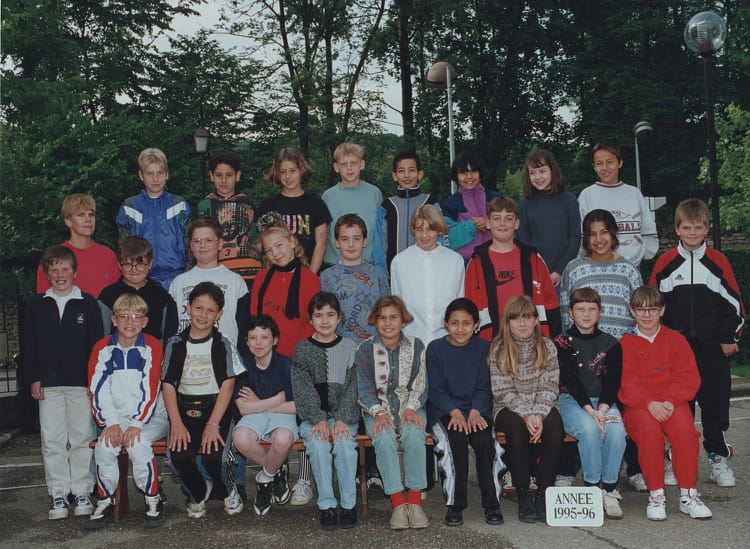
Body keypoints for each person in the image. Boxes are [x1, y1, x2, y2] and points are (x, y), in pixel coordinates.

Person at [650, 198, 745, 487]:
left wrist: (729, 337)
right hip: (675, 352)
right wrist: (657, 342)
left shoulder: (718, 262)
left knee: (715, 405)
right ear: (677, 229)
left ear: (707, 229)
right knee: (678, 407)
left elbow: (734, 304)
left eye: (698, 227)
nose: (692, 233)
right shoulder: (666, 263)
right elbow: (652, 305)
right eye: (687, 227)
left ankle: (717, 457)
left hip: (711, 348)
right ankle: (675, 458)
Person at [618, 286, 712, 521]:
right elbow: (625, 382)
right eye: (641, 310)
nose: (646, 315)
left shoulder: (677, 340)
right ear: (632, 311)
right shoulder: (624, 344)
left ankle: (688, 494)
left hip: (672, 402)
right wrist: (648, 403)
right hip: (639, 405)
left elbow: (688, 377)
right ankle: (656, 494)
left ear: (662, 310)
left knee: (685, 432)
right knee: (650, 434)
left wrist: (670, 400)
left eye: (652, 309)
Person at [24, 245, 103, 519]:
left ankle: (81, 491)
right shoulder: (36, 305)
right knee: (53, 440)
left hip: (80, 384)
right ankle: (58, 493)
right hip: (48, 385)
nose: (60, 275)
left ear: (75, 272)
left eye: (65, 269)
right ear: (47, 274)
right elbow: (29, 344)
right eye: (54, 270)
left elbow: (96, 347)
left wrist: (93, 381)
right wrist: (34, 378)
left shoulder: (87, 303)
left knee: (82, 438)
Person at [250, 217, 320, 505]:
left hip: (299, 360)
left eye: (279, 245)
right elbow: (255, 322)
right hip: (269, 362)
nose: (275, 253)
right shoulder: (261, 279)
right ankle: (276, 468)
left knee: (303, 419)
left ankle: (303, 477)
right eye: (269, 250)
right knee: (271, 418)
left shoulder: (310, 279)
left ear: (292, 242)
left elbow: (314, 323)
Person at [161, 282, 245, 518]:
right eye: (198, 308)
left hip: (216, 409)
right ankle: (197, 492)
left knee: (214, 458)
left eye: (210, 310)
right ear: (188, 308)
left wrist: (213, 424)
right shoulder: (176, 344)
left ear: (219, 314)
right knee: (177, 458)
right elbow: (168, 384)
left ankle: (227, 491)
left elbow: (228, 385)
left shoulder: (223, 344)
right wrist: (176, 423)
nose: (203, 315)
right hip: (184, 410)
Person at [87, 294, 169, 529]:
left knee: (137, 443)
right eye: (123, 316)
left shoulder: (152, 346)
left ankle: (152, 498)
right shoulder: (102, 348)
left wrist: (136, 424)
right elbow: (97, 390)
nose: (130, 322)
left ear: (145, 322)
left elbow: (151, 389)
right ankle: (105, 499)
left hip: (152, 416)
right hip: (117, 418)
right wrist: (110, 423)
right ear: (114, 320)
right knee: (105, 446)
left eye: (136, 316)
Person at [427, 298, 504, 527]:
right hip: (445, 409)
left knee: (484, 441)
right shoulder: (436, 348)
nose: (460, 329)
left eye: (466, 323)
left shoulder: (483, 347)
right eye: (454, 323)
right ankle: (455, 503)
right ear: (446, 324)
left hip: (477, 410)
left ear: (476, 324)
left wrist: (476, 411)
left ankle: (492, 503)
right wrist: (454, 412)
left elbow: (484, 384)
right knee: (455, 440)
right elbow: (435, 388)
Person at [356, 295, 429, 530]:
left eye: (393, 317)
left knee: (414, 434)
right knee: (384, 437)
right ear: (375, 321)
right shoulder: (365, 348)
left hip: (410, 405)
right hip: (377, 408)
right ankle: (398, 503)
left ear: (403, 320)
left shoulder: (417, 346)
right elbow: (363, 387)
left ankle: (415, 502)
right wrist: (378, 412)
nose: (388, 323)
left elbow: (421, 383)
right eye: (382, 318)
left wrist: (410, 408)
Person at [554, 287, 626, 519]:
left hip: (603, 401)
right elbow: (570, 381)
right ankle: (593, 487)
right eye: (580, 309)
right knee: (589, 429)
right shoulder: (562, 342)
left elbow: (612, 381)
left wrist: (602, 409)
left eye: (592, 309)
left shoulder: (610, 342)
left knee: (616, 430)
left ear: (600, 312)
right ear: (570, 312)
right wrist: (590, 411)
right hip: (572, 401)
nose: (586, 314)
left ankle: (610, 489)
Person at [490, 295, 563, 524]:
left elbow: (550, 386)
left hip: (541, 403)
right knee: (516, 428)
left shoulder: (547, 346)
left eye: (528, 318)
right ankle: (523, 492)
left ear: (536, 321)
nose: (522, 324)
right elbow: (502, 390)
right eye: (516, 318)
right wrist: (526, 414)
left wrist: (539, 413)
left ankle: (543, 492)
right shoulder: (499, 348)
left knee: (555, 427)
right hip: (507, 406)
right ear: (507, 322)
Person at [291, 292, 360, 530]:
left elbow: (353, 387)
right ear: (310, 319)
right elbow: (302, 388)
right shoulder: (302, 349)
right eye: (318, 315)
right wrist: (318, 418)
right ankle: (327, 505)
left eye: (330, 315)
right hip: (314, 417)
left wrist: (341, 418)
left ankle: (349, 504)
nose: (324, 321)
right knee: (318, 445)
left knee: (344, 445)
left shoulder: (350, 347)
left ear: (339, 318)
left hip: (344, 416)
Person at [465, 196, 561, 341]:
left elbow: (550, 302)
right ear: (488, 223)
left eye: (508, 218)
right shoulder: (476, 262)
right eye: (496, 218)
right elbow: (468, 308)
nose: (502, 223)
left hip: (532, 342)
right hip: (490, 342)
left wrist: (554, 342)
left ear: (516, 224)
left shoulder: (533, 259)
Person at [232, 315, 297, 516]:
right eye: (253, 338)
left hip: (283, 414)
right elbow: (243, 409)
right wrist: (277, 398)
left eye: (264, 337)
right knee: (240, 438)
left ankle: (265, 478)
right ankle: (276, 469)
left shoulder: (286, 365)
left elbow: (297, 406)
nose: (258, 343)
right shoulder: (243, 365)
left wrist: (258, 403)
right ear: (246, 341)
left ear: (275, 340)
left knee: (283, 438)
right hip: (262, 413)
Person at [560, 209, 643, 339]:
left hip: (621, 345)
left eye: (604, 232)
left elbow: (640, 313)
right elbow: (566, 315)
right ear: (586, 238)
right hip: (583, 346)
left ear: (614, 234)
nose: (599, 239)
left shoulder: (629, 270)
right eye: (593, 234)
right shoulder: (574, 269)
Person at [117, 147, 191, 289]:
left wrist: (188, 275)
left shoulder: (180, 205)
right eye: (150, 173)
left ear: (167, 174)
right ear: (141, 175)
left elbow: (190, 243)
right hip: (141, 278)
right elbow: (123, 249)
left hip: (176, 277)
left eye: (160, 173)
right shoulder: (130, 207)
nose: (155, 179)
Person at [391, 204, 465, 346]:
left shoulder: (454, 260)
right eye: (419, 229)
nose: (424, 235)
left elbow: (459, 300)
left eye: (430, 229)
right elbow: (397, 303)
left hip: (446, 339)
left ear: (439, 230)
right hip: (411, 339)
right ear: (413, 230)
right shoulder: (400, 261)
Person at [169, 217, 249, 346]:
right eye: (197, 241)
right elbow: (171, 327)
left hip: (224, 352)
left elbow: (243, 326)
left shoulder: (235, 281)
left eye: (209, 240)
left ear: (220, 243)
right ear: (191, 245)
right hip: (187, 352)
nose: (202, 245)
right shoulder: (178, 283)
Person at [578, 140, 658, 266]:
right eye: (599, 163)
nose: (605, 167)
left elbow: (648, 230)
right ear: (594, 167)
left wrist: (640, 254)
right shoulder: (587, 196)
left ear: (619, 163)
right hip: (597, 267)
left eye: (610, 162)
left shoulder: (634, 194)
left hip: (632, 266)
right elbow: (581, 237)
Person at [257, 148, 331, 273]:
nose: (288, 176)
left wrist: (310, 276)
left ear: (301, 170)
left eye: (292, 171)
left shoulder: (316, 204)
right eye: (283, 172)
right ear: (277, 174)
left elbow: (321, 242)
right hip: (278, 274)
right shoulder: (268, 205)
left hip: (309, 272)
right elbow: (265, 245)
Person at [516, 149, 580, 292]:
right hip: (535, 275)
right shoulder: (524, 204)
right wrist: (538, 271)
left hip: (564, 273)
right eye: (532, 173)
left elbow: (575, 238)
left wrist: (559, 271)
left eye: (542, 171)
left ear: (552, 170)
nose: (537, 177)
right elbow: (523, 243)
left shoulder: (568, 200)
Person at [198, 150, 263, 288]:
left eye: (229, 175)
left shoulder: (248, 204)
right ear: (211, 176)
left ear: (237, 176)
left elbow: (257, 239)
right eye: (218, 175)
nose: (224, 181)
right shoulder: (205, 205)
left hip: (250, 274)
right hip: (218, 275)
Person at [98, 236, 178, 346]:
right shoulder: (108, 296)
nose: (134, 270)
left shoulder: (161, 296)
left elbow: (169, 335)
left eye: (140, 264)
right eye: (128, 265)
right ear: (119, 265)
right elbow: (102, 334)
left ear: (150, 264)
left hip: (153, 354)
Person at [320, 214, 389, 341]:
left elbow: (386, 314)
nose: (351, 244)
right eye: (344, 239)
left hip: (373, 346)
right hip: (338, 346)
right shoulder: (326, 277)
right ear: (337, 242)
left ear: (364, 241)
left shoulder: (378, 275)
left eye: (356, 238)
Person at [36, 193, 119, 297]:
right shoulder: (54, 257)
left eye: (91, 215)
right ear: (68, 221)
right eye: (81, 215)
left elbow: (119, 298)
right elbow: (43, 300)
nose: (88, 219)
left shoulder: (109, 256)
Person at [373, 151, 439, 273]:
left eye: (412, 170)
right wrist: (382, 274)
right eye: (401, 171)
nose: (407, 175)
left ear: (420, 174)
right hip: (395, 274)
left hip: (426, 272)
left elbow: (441, 237)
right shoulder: (387, 207)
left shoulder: (431, 203)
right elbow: (379, 245)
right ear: (394, 176)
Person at [322, 142, 383, 266]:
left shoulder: (374, 193)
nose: (349, 168)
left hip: (368, 264)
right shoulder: (328, 196)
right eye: (343, 164)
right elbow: (323, 234)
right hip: (335, 265)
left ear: (362, 164)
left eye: (354, 163)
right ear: (336, 167)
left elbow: (380, 231)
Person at [442, 151, 500, 262]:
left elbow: (510, 228)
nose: (469, 176)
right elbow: (447, 239)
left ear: (480, 172)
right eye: (463, 172)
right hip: (465, 262)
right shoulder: (451, 203)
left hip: (496, 259)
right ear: (456, 175)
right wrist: (472, 226)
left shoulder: (495, 199)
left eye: (473, 171)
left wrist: (490, 223)